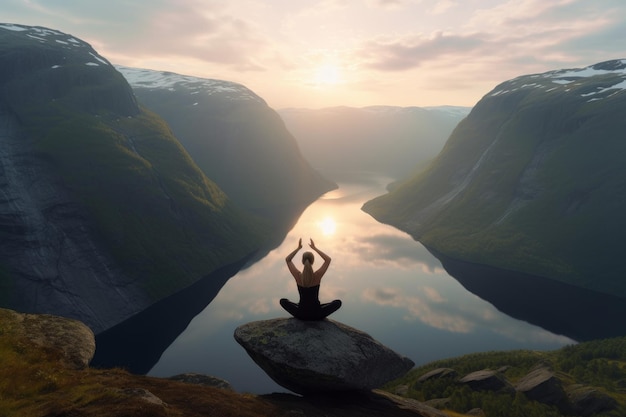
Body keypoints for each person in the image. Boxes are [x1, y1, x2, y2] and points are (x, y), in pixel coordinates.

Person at [280, 238, 342, 320]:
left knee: (283, 301)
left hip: (301, 314)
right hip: (317, 314)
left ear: (302, 261)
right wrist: (314, 248)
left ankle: (300, 306)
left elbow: (288, 260)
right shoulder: (317, 275)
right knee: (337, 303)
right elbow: (328, 260)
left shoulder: (298, 276)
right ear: (312, 261)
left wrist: (298, 248)